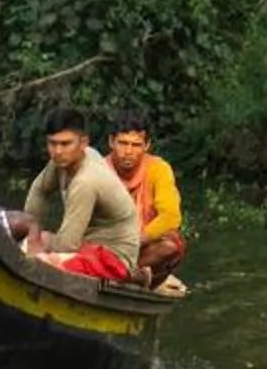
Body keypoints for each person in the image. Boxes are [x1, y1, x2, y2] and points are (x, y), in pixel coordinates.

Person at [22, 108, 141, 280]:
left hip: (113, 257)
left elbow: (66, 246)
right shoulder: (61, 161)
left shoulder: (85, 181)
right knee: (32, 241)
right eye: (52, 143)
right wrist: (31, 234)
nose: (57, 151)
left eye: (65, 144)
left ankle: (134, 277)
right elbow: (39, 190)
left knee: (41, 260)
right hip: (84, 245)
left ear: (83, 143)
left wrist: (40, 245)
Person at [105, 111, 186, 285]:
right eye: (122, 143)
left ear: (147, 145)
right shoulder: (99, 170)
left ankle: (125, 276)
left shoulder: (159, 169)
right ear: (111, 142)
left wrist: (134, 241)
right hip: (107, 250)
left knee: (172, 247)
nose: (128, 151)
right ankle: (121, 274)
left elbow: (171, 217)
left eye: (136, 145)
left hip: (142, 248)